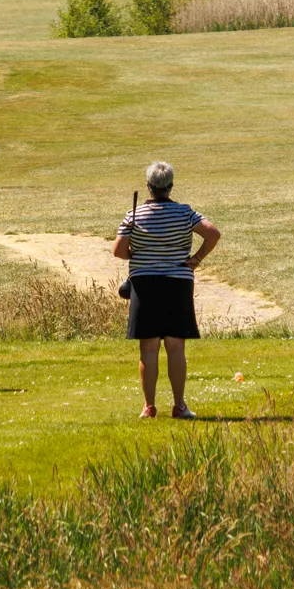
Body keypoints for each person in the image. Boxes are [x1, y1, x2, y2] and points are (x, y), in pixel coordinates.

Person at [114, 161, 221, 418]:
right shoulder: (185, 212)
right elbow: (213, 234)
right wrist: (197, 258)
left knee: (148, 348)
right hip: (177, 283)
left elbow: (118, 251)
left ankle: (149, 407)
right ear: (171, 186)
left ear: (148, 187)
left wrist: (136, 253)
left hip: (144, 285)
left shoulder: (134, 215)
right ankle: (179, 406)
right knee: (175, 347)